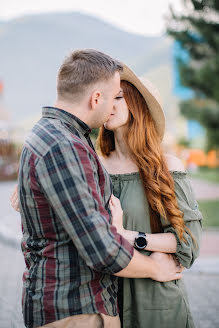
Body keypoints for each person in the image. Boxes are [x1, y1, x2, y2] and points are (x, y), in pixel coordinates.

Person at [10, 50, 183, 328]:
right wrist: (154, 267)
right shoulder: (63, 146)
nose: (113, 106)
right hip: (76, 309)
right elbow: (100, 249)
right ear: (96, 99)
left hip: (70, 305)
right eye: (114, 95)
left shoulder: (51, 135)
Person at [96, 64, 203, 328]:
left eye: (119, 97)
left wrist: (131, 237)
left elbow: (188, 242)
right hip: (107, 307)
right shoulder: (94, 166)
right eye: (107, 97)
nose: (110, 103)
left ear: (138, 107)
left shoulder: (167, 167)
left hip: (157, 305)